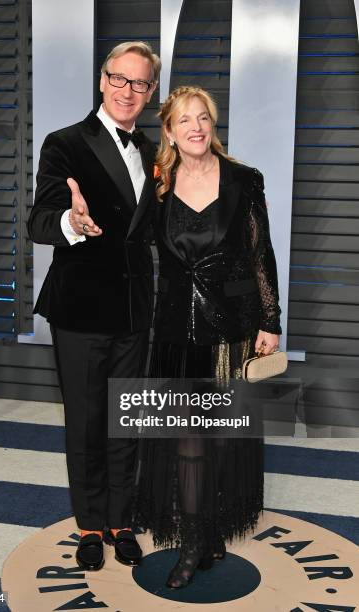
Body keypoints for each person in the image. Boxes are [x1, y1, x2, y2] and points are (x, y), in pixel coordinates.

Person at [131, 86, 282, 588]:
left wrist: (269, 320)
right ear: (169, 132)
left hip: (232, 332)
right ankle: (195, 541)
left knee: (220, 437)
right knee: (188, 441)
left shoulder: (243, 181)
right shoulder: (157, 187)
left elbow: (259, 256)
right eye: (184, 120)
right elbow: (130, 248)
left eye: (204, 118)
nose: (196, 127)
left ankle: (211, 532)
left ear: (213, 126)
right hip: (176, 332)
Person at [27, 41, 161, 572]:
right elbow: (39, 223)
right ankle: (88, 524)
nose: (129, 91)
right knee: (85, 422)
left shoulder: (155, 152)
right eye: (120, 79)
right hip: (80, 309)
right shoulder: (65, 144)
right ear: (103, 81)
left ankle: (120, 521)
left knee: (124, 419)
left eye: (141, 83)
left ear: (151, 93)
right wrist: (71, 224)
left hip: (133, 308)